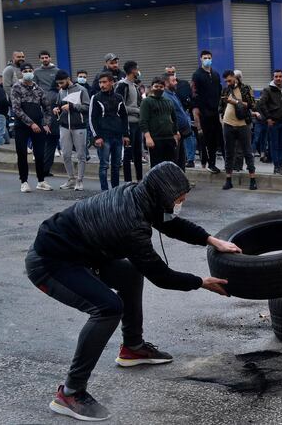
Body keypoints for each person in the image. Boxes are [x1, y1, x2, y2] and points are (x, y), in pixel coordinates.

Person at [24, 161, 240, 421]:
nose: (181, 202)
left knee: (130, 273)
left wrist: (211, 239)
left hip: (82, 252)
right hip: (50, 262)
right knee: (107, 308)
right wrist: (200, 282)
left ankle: (132, 348)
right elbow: (161, 276)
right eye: (179, 198)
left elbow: (171, 224)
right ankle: (70, 392)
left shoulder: (142, 195)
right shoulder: (130, 224)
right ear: (163, 195)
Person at [11, 63, 53, 192]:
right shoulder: (16, 88)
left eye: (30, 70)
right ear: (21, 73)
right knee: (22, 153)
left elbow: (47, 108)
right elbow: (16, 109)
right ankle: (24, 181)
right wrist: (31, 123)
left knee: (40, 154)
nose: (28, 73)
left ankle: (41, 181)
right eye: (25, 71)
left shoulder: (38, 89)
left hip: (38, 125)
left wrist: (46, 123)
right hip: (21, 126)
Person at [89, 71, 130, 191]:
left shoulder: (119, 97)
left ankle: (115, 191)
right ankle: (104, 192)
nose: (102, 85)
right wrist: (97, 137)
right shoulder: (95, 98)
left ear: (111, 82)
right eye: (100, 82)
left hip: (117, 136)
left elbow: (124, 117)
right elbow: (92, 119)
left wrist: (126, 135)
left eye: (104, 82)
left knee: (116, 166)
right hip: (103, 137)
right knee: (104, 166)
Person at [220, 70, 257, 191]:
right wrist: (222, 116)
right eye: (226, 81)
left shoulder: (246, 88)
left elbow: (252, 104)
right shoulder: (225, 89)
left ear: (235, 78)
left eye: (229, 80)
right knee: (229, 152)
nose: (228, 83)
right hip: (228, 124)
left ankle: (252, 180)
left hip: (242, 124)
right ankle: (228, 180)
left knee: (247, 151)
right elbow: (221, 105)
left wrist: (235, 102)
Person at [53, 70, 90, 191]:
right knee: (66, 154)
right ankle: (71, 179)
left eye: (62, 82)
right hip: (64, 126)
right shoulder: (61, 91)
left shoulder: (81, 90)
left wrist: (73, 107)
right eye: (58, 83)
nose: (60, 85)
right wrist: (56, 109)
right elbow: (59, 104)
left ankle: (80, 180)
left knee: (81, 155)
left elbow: (88, 107)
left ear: (68, 79)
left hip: (79, 126)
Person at [191, 50, 223, 174]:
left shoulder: (215, 74)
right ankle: (208, 163)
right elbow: (194, 92)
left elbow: (219, 91)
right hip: (204, 113)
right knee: (206, 139)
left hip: (215, 112)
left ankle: (213, 163)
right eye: (205, 57)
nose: (207, 59)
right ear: (201, 59)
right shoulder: (197, 75)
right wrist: (197, 111)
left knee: (216, 139)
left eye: (209, 57)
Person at [259, 69, 282, 175]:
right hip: (273, 122)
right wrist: (268, 118)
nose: (278, 78)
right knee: (274, 145)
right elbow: (262, 104)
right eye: (276, 77)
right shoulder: (267, 90)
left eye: (280, 76)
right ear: (273, 78)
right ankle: (276, 167)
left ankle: (281, 166)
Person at [140, 76, 179, 167]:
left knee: (170, 166)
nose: (158, 89)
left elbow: (174, 118)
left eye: (161, 87)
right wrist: (148, 137)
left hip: (169, 139)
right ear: (152, 87)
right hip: (155, 139)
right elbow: (143, 121)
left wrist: (175, 134)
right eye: (156, 86)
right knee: (156, 167)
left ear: (164, 88)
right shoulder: (146, 102)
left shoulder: (168, 101)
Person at [116, 61, 143, 182]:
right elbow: (119, 106)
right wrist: (136, 110)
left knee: (138, 153)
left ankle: (140, 179)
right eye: (137, 69)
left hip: (137, 124)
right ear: (133, 70)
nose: (138, 71)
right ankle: (128, 181)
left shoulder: (135, 86)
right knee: (128, 154)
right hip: (128, 124)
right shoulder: (122, 85)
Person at [35, 50, 61, 177]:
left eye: (47, 57)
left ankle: (44, 169)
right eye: (42, 57)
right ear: (40, 59)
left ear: (50, 58)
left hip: (52, 115)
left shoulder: (57, 71)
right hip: (47, 111)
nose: (45, 59)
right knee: (49, 143)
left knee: (49, 143)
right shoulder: (36, 72)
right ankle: (44, 169)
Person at [165, 66, 195, 168]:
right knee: (175, 160)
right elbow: (169, 116)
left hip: (182, 131)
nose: (176, 82)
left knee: (181, 159)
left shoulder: (173, 94)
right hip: (175, 133)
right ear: (166, 83)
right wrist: (175, 131)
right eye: (173, 81)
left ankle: (181, 180)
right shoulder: (166, 96)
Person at [75, 70, 92, 162]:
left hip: (86, 115)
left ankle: (85, 154)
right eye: (80, 76)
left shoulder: (90, 89)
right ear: (77, 77)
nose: (82, 78)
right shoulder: (73, 88)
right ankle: (83, 154)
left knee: (85, 137)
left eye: (84, 77)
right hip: (75, 115)